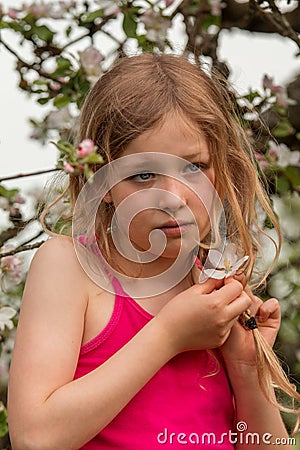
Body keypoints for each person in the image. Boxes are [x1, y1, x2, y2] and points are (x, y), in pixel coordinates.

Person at [8, 53, 299, 450]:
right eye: (143, 174)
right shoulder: (71, 267)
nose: (173, 197)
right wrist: (168, 335)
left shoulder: (213, 290)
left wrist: (246, 364)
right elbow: (35, 439)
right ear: (102, 182)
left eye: (194, 167)